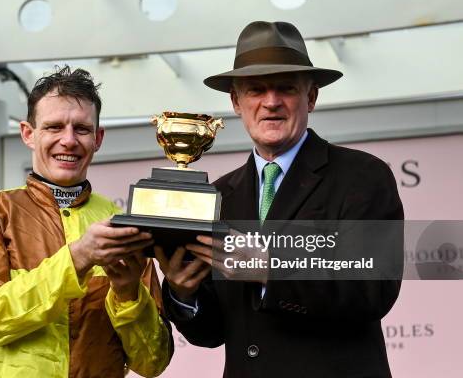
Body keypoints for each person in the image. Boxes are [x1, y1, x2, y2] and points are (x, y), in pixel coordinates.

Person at [156, 21, 403, 377]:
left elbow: (372, 289)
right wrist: (183, 292)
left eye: (286, 89)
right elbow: (210, 334)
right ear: (236, 102)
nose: (271, 102)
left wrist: (271, 268)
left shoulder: (362, 176)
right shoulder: (219, 196)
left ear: (311, 98)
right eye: (256, 90)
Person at [0, 66, 173, 378]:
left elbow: (153, 363)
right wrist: (79, 257)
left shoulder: (125, 226)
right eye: (54, 127)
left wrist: (127, 292)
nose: (68, 141)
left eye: (81, 129)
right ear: (28, 134)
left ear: (98, 139)